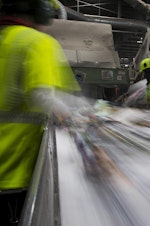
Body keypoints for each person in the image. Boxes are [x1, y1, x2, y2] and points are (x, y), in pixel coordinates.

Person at [0, 0, 91, 224]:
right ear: (42, 11)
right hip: (14, 168)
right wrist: (80, 114)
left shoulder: (6, 38)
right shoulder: (37, 42)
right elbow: (41, 97)